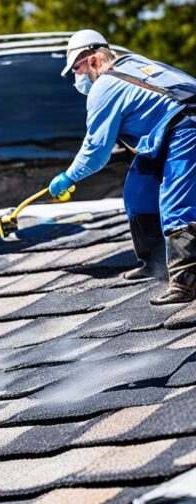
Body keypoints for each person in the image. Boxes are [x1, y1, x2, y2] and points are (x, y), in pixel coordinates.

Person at [48, 30, 196, 305]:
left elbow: (95, 152)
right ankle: (155, 263)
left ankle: (185, 280)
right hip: (166, 132)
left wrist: (69, 177)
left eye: (77, 70)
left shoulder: (104, 86)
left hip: (185, 129)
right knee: (137, 192)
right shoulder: (133, 62)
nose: (77, 79)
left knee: (176, 204)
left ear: (93, 61)